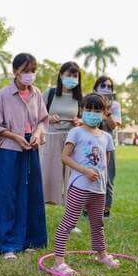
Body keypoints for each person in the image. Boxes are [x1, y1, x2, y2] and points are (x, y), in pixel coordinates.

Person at [0, 53, 48, 260]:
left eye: (32, 71)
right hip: (10, 148)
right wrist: (16, 137)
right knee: (8, 195)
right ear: (15, 72)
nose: (29, 75)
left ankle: (31, 239)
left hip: (32, 146)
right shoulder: (3, 95)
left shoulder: (37, 93)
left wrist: (38, 135)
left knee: (32, 192)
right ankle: (6, 244)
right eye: (25, 71)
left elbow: (42, 120)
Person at [52, 93, 119, 275]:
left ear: (104, 113)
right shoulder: (76, 132)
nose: (92, 113)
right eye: (88, 110)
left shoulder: (106, 136)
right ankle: (58, 261)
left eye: (97, 110)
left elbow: (105, 163)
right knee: (69, 222)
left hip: (98, 189)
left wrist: (103, 183)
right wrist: (84, 171)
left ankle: (101, 254)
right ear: (82, 110)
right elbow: (64, 157)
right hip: (79, 186)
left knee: (98, 223)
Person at [40, 62, 82, 206]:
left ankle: (71, 219)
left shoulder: (80, 98)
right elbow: (36, 115)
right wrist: (49, 118)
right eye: (68, 75)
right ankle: (41, 212)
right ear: (61, 75)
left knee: (72, 179)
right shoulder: (49, 93)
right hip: (50, 141)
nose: (72, 78)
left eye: (75, 76)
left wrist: (79, 121)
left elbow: (86, 119)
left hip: (72, 142)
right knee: (47, 177)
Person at [94, 76, 122, 217]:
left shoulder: (115, 105)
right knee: (89, 176)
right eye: (103, 85)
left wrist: (107, 112)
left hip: (107, 146)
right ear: (96, 88)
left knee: (108, 178)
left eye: (109, 86)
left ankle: (105, 210)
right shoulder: (89, 102)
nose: (106, 88)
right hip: (90, 145)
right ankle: (87, 210)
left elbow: (113, 125)